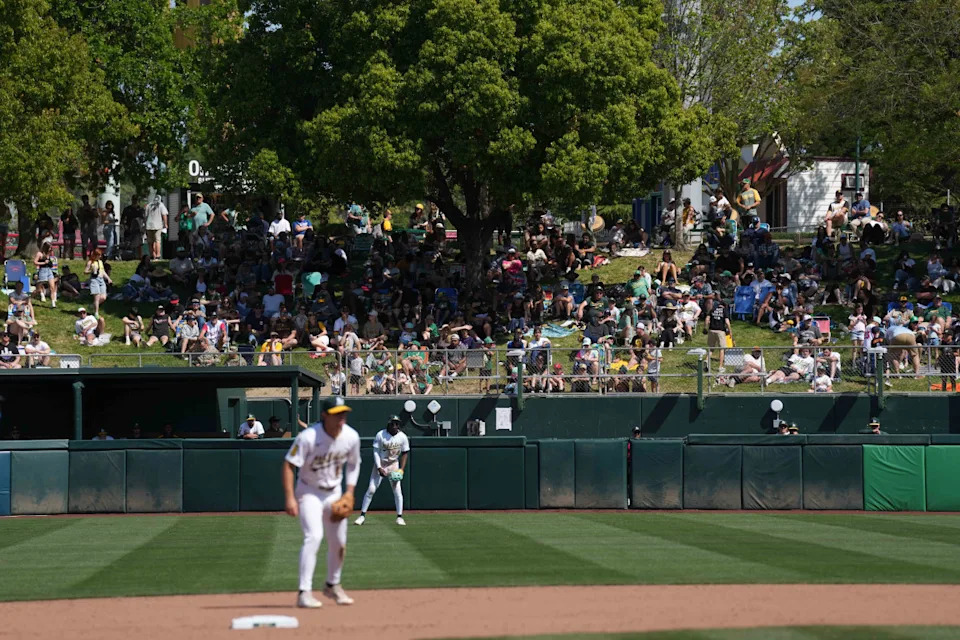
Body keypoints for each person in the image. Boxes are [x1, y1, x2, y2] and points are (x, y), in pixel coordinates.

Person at [283, 396, 360, 608]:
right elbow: (289, 464)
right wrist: (290, 497)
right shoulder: (308, 437)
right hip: (309, 491)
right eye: (337, 414)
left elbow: (354, 464)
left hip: (334, 492)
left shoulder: (351, 436)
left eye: (344, 413)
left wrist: (350, 492)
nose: (341, 418)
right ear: (325, 416)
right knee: (314, 536)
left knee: (338, 542)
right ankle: (304, 592)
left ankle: (332, 585)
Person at [355, 415, 410, 527]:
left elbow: (405, 453)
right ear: (389, 424)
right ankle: (362, 516)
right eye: (393, 423)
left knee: (397, 491)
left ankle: (399, 517)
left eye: (397, 423)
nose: (395, 425)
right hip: (381, 463)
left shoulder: (402, 437)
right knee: (371, 489)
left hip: (394, 464)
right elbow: (375, 452)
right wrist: (379, 467)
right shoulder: (381, 434)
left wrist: (401, 470)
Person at [706, 293, 731, 372]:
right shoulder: (724, 310)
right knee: (721, 349)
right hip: (720, 331)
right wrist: (730, 331)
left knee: (711, 348)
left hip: (711, 330)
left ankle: (706, 360)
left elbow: (707, 319)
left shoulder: (712, 309)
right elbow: (727, 322)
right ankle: (720, 367)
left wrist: (704, 328)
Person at [84, 249, 112, 317]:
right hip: (94, 280)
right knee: (97, 296)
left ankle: (92, 306)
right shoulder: (90, 262)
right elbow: (85, 271)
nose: (100, 256)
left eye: (100, 255)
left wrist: (108, 278)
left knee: (103, 297)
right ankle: (96, 312)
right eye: (98, 255)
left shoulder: (100, 262)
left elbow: (102, 271)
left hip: (101, 280)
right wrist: (91, 271)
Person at [33, 240, 58, 307]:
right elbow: (35, 262)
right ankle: (32, 297)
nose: (50, 249)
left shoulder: (48, 254)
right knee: (39, 287)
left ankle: (53, 303)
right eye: (49, 248)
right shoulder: (39, 254)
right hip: (42, 271)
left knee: (52, 287)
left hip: (49, 271)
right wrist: (43, 263)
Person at [145, 195, 169, 259]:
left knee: (150, 242)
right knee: (157, 240)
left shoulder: (149, 205)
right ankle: (158, 255)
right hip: (157, 225)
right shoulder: (161, 205)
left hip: (149, 225)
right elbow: (164, 215)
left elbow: (146, 215)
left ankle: (152, 255)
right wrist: (166, 224)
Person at [77, 195, 98, 259]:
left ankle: (95, 256)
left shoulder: (92, 208)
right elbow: (79, 216)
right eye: (84, 200)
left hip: (92, 228)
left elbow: (96, 215)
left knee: (95, 244)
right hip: (84, 229)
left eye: (86, 199)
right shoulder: (81, 209)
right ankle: (84, 257)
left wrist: (90, 210)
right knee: (84, 245)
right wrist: (83, 211)